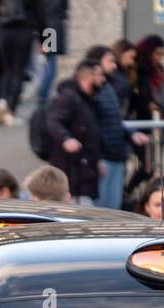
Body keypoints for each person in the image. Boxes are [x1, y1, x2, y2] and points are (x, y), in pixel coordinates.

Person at [87, 43, 146, 209]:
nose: (114, 65)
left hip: (116, 154)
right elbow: (89, 126)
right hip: (103, 156)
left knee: (113, 206)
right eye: (109, 61)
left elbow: (117, 119)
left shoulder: (109, 87)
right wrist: (96, 157)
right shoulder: (91, 91)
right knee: (101, 207)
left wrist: (131, 133)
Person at [45, 58, 103, 204]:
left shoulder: (88, 100)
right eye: (99, 75)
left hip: (85, 172)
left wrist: (97, 161)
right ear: (89, 76)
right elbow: (53, 121)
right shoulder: (69, 97)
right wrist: (66, 138)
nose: (103, 80)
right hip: (72, 171)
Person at [126, 33, 164, 202]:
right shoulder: (138, 70)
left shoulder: (158, 70)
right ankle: (127, 193)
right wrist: (147, 105)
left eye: (162, 54)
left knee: (150, 166)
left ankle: (137, 197)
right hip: (139, 125)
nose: (160, 58)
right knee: (147, 167)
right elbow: (132, 99)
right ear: (148, 52)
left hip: (155, 125)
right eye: (157, 54)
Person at [0, 0, 41, 126]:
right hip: (24, 31)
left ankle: (1, 102)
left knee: (7, 70)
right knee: (18, 72)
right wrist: (47, 42)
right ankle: (11, 113)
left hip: (3, 31)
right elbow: (41, 14)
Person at [36, 0, 67, 102]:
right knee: (51, 63)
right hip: (55, 28)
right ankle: (42, 93)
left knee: (48, 61)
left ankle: (42, 91)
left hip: (46, 28)